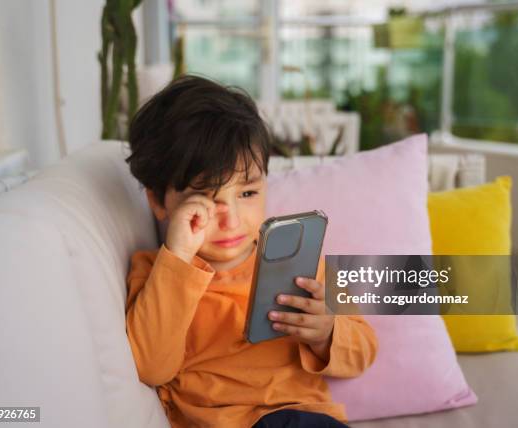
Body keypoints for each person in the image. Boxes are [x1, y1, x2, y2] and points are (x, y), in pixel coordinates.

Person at [124, 74, 377, 428]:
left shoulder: (299, 264)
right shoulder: (157, 272)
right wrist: (179, 257)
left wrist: (327, 333)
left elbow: (364, 350)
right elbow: (151, 366)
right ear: (158, 200)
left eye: (247, 194)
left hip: (298, 416)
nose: (231, 221)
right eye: (205, 199)